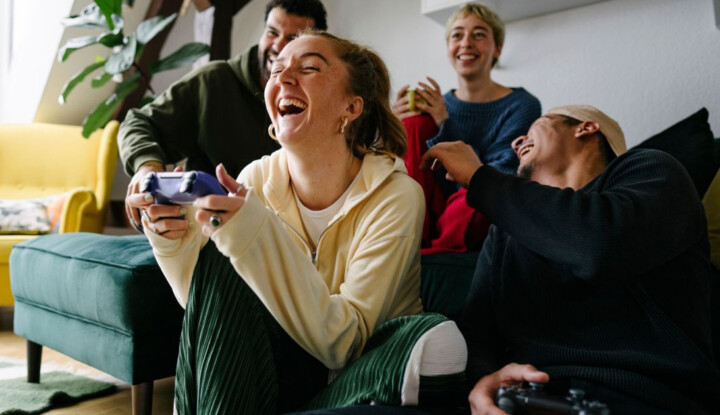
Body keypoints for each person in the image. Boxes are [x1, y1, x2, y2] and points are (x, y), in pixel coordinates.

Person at [134, 31, 425, 414]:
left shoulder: (396, 195)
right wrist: (173, 238)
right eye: (276, 70)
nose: (283, 77)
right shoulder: (255, 179)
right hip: (267, 367)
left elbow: (346, 343)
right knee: (222, 256)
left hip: (348, 380)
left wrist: (252, 235)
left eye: (309, 68)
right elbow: (208, 310)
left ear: (352, 107)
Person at [422, 105, 720, 414]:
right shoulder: (504, 233)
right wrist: (482, 382)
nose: (516, 142)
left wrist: (480, 178)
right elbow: (476, 331)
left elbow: (599, 245)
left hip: (639, 397)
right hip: (527, 398)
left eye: (535, 126)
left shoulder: (652, 171)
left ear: (586, 128)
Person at [119, 0, 328, 231]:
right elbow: (138, 122)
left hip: (286, 238)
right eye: (272, 32)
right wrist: (146, 167)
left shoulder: (328, 105)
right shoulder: (214, 82)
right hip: (204, 234)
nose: (278, 46)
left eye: (292, 39)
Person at [392, 2, 541, 255]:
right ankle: (410, 237)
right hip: (429, 206)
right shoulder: (435, 105)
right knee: (413, 124)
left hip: (472, 205)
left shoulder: (522, 104)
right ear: (448, 47)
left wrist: (445, 123)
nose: (466, 43)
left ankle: (426, 252)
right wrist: (393, 131)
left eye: (479, 35)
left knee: (484, 195)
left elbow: (497, 176)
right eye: (457, 35)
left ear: (497, 48)